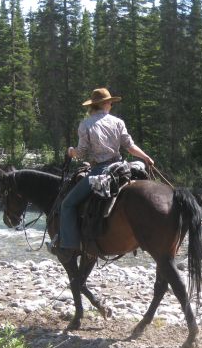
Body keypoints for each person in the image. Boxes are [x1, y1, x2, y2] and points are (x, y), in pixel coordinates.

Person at [53, 88, 154, 252]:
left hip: (100, 171)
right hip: (121, 167)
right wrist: (146, 157)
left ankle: (69, 245)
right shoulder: (118, 122)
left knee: (67, 204)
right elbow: (130, 146)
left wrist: (71, 151)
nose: (111, 105)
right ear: (105, 104)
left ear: (94, 105)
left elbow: (82, 152)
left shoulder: (86, 124)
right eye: (110, 102)